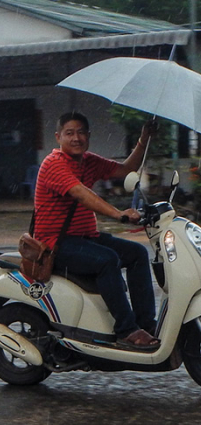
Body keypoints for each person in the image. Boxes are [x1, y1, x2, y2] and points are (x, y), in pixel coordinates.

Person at [34, 111, 160, 351]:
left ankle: (145, 324)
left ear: (88, 136)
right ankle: (126, 330)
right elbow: (81, 193)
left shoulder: (88, 161)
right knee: (107, 260)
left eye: (81, 132)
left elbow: (126, 170)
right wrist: (118, 213)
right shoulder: (54, 164)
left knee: (137, 254)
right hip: (56, 245)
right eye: (70, 133)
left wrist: (144, 138)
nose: (76, 138)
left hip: (86, 238)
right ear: (58, 137)